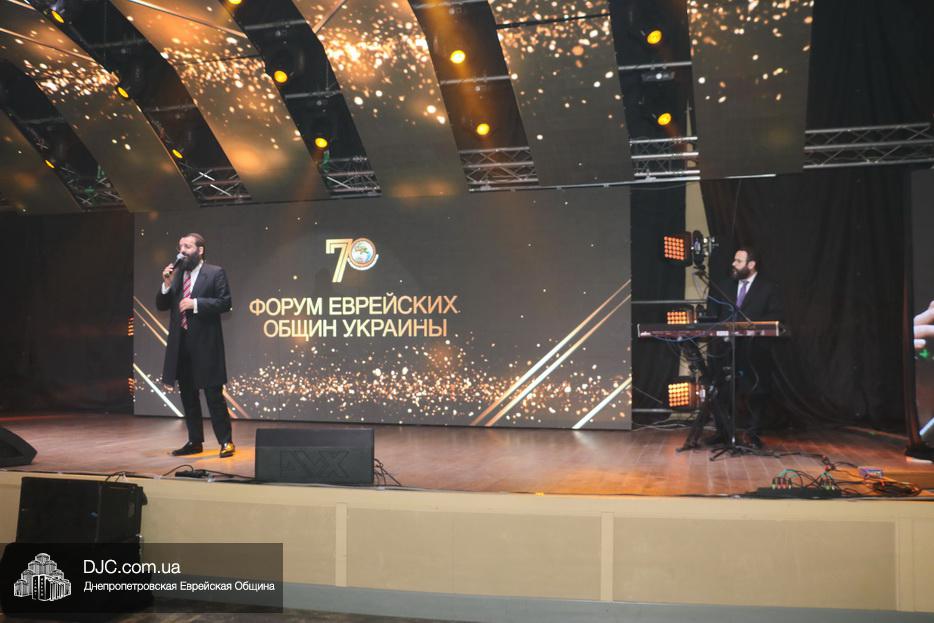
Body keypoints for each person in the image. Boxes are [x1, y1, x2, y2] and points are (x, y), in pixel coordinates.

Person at [157, 233, 235, 458]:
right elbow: (161, 305)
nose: (182, 251)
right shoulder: (177, 275)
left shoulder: (215, 272)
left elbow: (225, 302)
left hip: (206, 345)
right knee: (188, 396)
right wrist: (166, 284)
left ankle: (226, 442)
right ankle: (195, 441)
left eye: (188, 246)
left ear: (200, 250)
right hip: (182, 345)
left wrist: (196, 304)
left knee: (213, 396)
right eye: (180, 246)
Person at [706, 247, 783, 449]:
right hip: (725, 348)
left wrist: (750, 326)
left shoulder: (768, 288)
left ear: (751, 264)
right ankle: (723, 432)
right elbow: (714, 315)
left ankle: (753, 434)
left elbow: (776, 315)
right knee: (721, 389)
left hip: (754, 349)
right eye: (734, 260)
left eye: (738, 261)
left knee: (755, 389)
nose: (733, 264)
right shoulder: (724, 286)